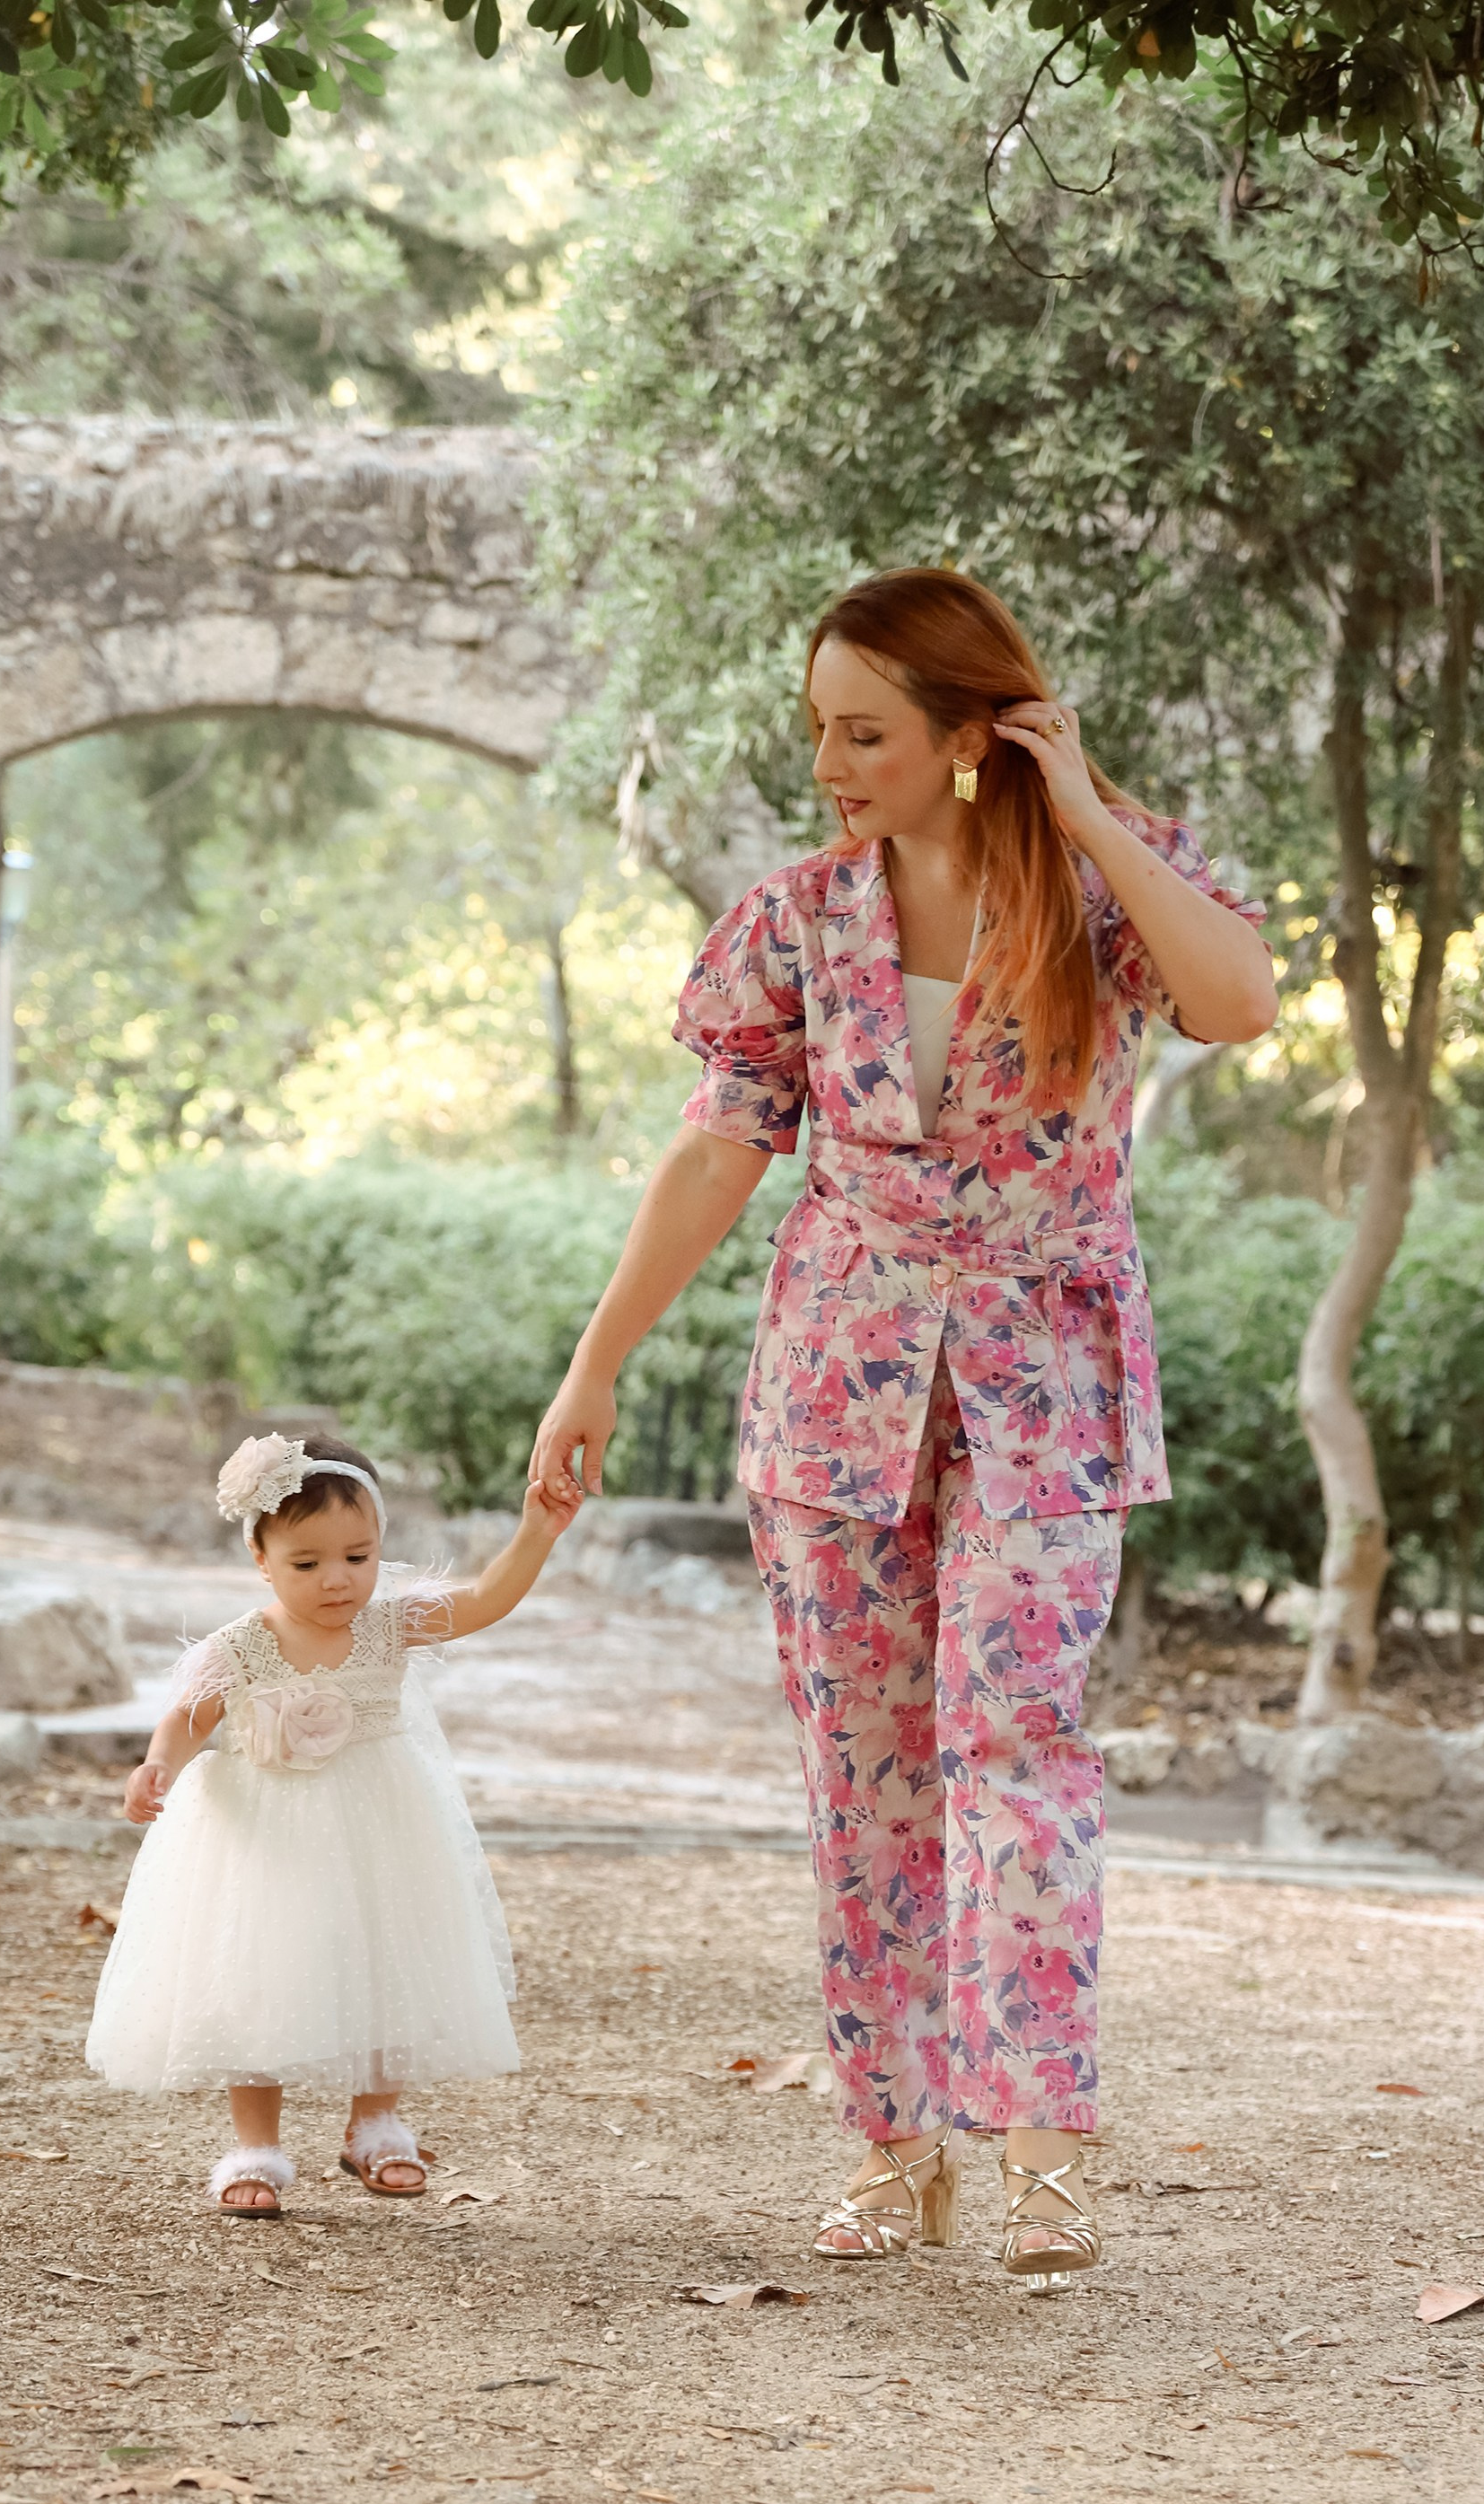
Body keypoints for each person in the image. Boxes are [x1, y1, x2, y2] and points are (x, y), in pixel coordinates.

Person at [531, 567, 1276, 2286]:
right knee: (864, 1775)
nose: (828, 762)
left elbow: (1237, 1005)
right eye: (817, 730)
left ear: (968, 734)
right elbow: (717, 1153)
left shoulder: (1103, 892)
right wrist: (597, 1364)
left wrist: (1084, 809)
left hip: (1046, 1390)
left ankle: (1040, 2151)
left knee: (1016, 1747)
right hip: (837, 1390)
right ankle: (893, 2144)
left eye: (863, 732)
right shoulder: (794, 921)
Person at [86, 1431, 578, 2215]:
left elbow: (485, 1600)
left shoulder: (388, 1625)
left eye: (358, 1555)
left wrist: (535, 1532)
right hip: (267, 1833)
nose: (338, 1579)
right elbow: (188, 1717)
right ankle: (256, 2144)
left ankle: (376, 2122)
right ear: (261, 1558)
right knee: (259, 1969)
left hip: (380, 1823)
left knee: (387, 1958)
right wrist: (158, 1765)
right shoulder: (243, 1644)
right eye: (306, 1563)